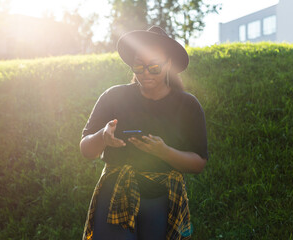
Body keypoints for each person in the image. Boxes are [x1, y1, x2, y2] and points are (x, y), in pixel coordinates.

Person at [80, 26, 208, 240]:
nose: (145, 73)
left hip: (161, 199)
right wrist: (103, 137)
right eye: (139, 66)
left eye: (154, 66)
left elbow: (199, 163)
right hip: (115, 194)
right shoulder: (113, 96)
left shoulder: (188, 105)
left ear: (169, 65)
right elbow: (86, 150)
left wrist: (164, 152)